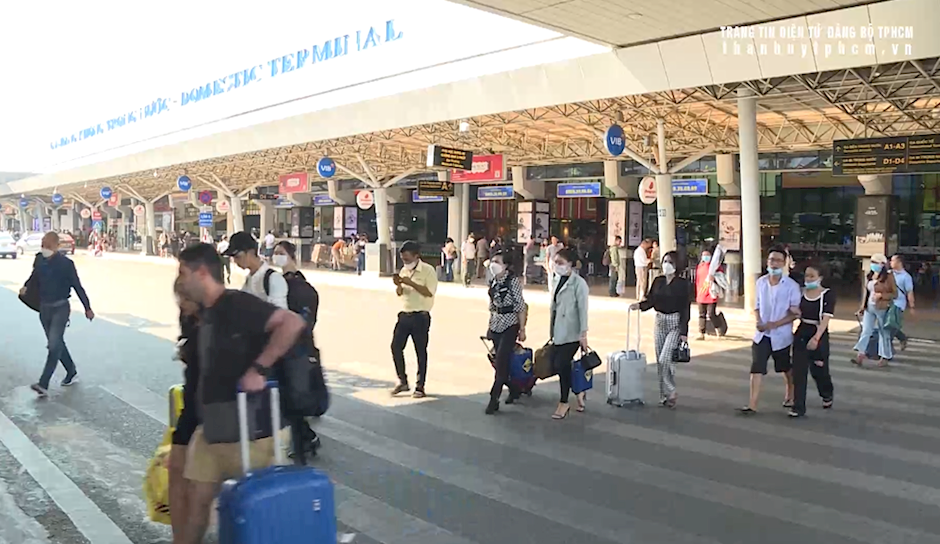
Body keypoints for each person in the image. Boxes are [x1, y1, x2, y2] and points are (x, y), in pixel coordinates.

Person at [174, 243, 305, 544]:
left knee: (257, 509)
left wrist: (259, 368)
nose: (180, 281)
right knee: (195, 501)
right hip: (213, 430)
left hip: (252, 432)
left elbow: (292, 322)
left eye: (183, 273)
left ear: (202, 272)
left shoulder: (237, 304)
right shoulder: (207, 313)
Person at [22, 232, 94, 397]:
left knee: (54, 346)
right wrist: (26, 287)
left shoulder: (66, 264)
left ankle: (43, 383)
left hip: (60, 308)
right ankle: (71, 371)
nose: (45, 249)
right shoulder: (39, 259)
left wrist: (87, 307)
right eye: (43, 245)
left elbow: (77, 286)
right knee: (57, 343)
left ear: (56, 246)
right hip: (44, 309)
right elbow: (34, 277)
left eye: (48, 246)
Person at [272, 240, 322, 458]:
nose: (276, 256)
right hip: (283, 349)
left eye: (281, 252)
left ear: (292, 256)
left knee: (289, 398)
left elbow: (306, 323)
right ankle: (303, 439)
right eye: (274, 252)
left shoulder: (302, 288)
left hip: (296, 350)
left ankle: (305, 439)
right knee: (286, 398)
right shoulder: (277, 282)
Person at [739, 246, 801, 414]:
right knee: (757, 367)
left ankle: (790, 391)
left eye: (778, 261)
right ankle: (752, 404)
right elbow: (756, 305)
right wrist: (759, 321)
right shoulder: (761, 282)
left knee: (784, 367)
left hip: (781, 336)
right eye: (772, 260)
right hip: (762, 335)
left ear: (784, 263)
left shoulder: (791, 286)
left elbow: (795, 313)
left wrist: (775, 324)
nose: (774, 263)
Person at [631, 251, 691, 408]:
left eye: (670, 262)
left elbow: (685, 308)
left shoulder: (683, 284)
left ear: (677, 265)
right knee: (660, 359)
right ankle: (664, 395)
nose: (666, 265)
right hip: (660, 320)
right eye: (664, 261)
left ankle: (671, 390)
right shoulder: (658, 281)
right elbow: (651, 299)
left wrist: (684, 332)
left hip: (675, 322)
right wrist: (640, 306)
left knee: (665, 358)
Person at [168, 279, 200, 544]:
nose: (181, 304)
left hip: (218, 407)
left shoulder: (226, 313)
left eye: (185, 299)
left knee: (202, 484)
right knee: (178, 468)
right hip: (194, 400)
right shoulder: (187, 316)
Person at [391, 241, 438, 398]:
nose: (405, 261)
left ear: (416, 256)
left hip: (420, 316)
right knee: (395, 347)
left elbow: (429, 292)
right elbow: (401, 293)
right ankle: (402, 380)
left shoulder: (428, 270)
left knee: (420, 352)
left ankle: (420, 385)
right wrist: (399, 285)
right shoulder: (404, 270)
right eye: (403, 259)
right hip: (404, 314)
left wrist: (411, 283)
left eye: (407, 258)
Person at [484, 250, 527, 414]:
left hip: (510, 325)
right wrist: (489, 327)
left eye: (498, 261)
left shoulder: (512, 281)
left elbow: (520, 306)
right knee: (500, 362)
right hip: (496, 324)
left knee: (501, 361)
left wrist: (522, 329)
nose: (493, 264)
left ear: (506, 265)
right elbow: (492, 306)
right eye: (492, 261)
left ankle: (494, 398)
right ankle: (514, 388)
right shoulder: (493, 280)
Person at [548, 248, 590, 420]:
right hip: (558, 330)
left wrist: (583, 334)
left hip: (572, 332)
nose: (557, 265)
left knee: (561, 364)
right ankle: (578, 391)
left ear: (570, 264)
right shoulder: (556, 279)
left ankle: (564, 402)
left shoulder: (579, 284)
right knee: (561, 365)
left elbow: (583, 310)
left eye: (561, 262)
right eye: (555, 262)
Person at [789, 263, 835, 418]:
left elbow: (825, 319)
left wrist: (816, 338)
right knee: (798, 370)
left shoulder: (827, 295)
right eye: (806, 275)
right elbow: (794, 310)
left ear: (820, 278)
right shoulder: (800, 293)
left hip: (818, 332)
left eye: (812, 276)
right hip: (802, 331)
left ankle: (826, 393)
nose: (808, 279)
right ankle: (798, 406)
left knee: (819, 371)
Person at [222, 231, 288, 310]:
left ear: (251, 252)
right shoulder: (249, 279)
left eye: (238, 257)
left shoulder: (273, 279)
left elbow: (281, 314)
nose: (235, 261)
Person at [853, 253, 897, 367]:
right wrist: (862, 307)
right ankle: (860, 354)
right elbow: (866, 292)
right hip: (869, 307)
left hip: (882, 307)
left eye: (876, 262)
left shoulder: (888, 277)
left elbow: (894, 294)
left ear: (882, 264)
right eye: (872, 262)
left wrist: (881, 295)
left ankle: (885, 356)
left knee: (883, 332)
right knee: (866, 331)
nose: (873, 264)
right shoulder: (870, 275)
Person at [695, 248, 727, 339]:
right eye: (704, 255)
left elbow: (722, 277)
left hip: (711, 294)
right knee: (702, 314)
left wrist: (714, 277)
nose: (705, 257)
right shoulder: (700, 267)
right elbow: (697, 280)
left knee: (711, 314)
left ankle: (718, 329)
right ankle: (701, 333)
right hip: (701, 293)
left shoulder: (715, 267)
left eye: (707, 255)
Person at [890, 254, 915, 351]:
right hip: (887, 302)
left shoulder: (906, 277)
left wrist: (912, 307)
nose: (890, 262)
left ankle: (887, 349)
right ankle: (902, 338)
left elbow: (909, 292)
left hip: (898, 304)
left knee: (892, 325)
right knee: (887, 325)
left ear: (899, 262)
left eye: (893, 260)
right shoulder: (889, 273)